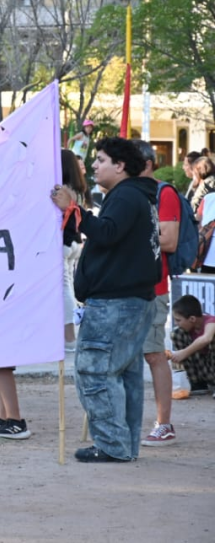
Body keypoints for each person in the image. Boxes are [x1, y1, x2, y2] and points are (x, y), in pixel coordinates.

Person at [52, 136, 160, 462]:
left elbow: (107, 233)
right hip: (130, 300)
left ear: (120, 166)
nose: (94, 166)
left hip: (116, 303)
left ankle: (113, 445)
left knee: (95, 371)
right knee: (125, 375)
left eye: (100, 160)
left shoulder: (127, 196)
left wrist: (74, 209)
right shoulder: (134, 195)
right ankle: (124, 445)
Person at [134, 140, 179, 447]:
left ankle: (164, 423)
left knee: (153, 354)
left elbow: (170, 240)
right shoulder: (129, 193)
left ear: (148, 164)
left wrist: (127, 235)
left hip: (154, 287)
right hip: (127, 287)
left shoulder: (164, 193)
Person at [61, 148, 87, 347]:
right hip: (75, 241)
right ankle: (69, 336)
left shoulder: (62, 189)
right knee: (67, 285)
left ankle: (69, 337)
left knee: (63, 288)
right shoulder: (78, 189)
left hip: (64, 242)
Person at [169, 294, 215, 395]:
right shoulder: (186, 330)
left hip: (212, 363)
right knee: (176, 333)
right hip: (204, 369)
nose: (176, 323)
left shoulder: (211, 321)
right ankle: (197, 383)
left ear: (192, 319)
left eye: (178, 320)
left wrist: (184, 353)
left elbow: (206, 338)